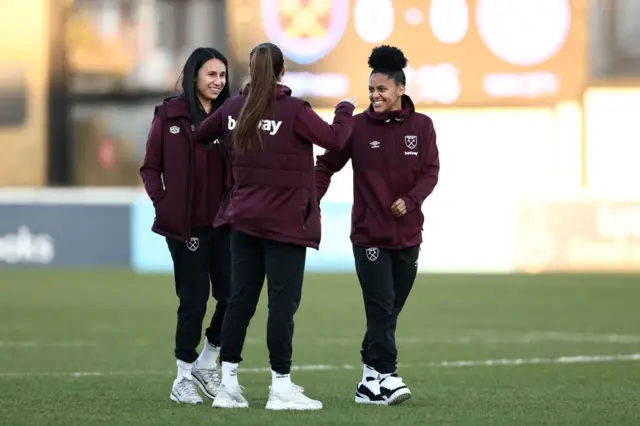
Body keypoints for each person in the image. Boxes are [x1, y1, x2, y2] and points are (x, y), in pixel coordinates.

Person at [192, 42, 357, 410]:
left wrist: (230, 130)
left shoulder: (234, 108)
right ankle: (280, 387)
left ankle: (228, 387)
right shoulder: (295, 110)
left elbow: (201, 136)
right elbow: (335, 139)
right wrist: (345, 110)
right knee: (281, 306)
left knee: (239, 303)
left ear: (252, 71)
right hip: (284, 224)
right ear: (282, 72)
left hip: (243, 220)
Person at [315, 45, 440, 406]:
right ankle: (387, 375)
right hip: (369, 235)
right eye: (371, 90)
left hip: (409, 236)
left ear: (400, 89)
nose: (374, 96)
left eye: (381, 90)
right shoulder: (355, 127)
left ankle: (368, 382)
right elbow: (325, 165)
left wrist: (411, 200)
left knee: (389, 309)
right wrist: (307, 197)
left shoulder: (423, 126)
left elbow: (431, 172)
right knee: (381, 306)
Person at [140, 47, 232, 405]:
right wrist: (163, 202)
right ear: (194, 74)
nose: (217, 81)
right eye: (211, 74)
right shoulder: (169, 114)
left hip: (225, 223)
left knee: (235, 296)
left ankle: (207, 361)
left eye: (222, 75)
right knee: (193, 300)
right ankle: (182, 379)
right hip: (187, 228)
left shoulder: (230, 116)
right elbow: (150, 167)